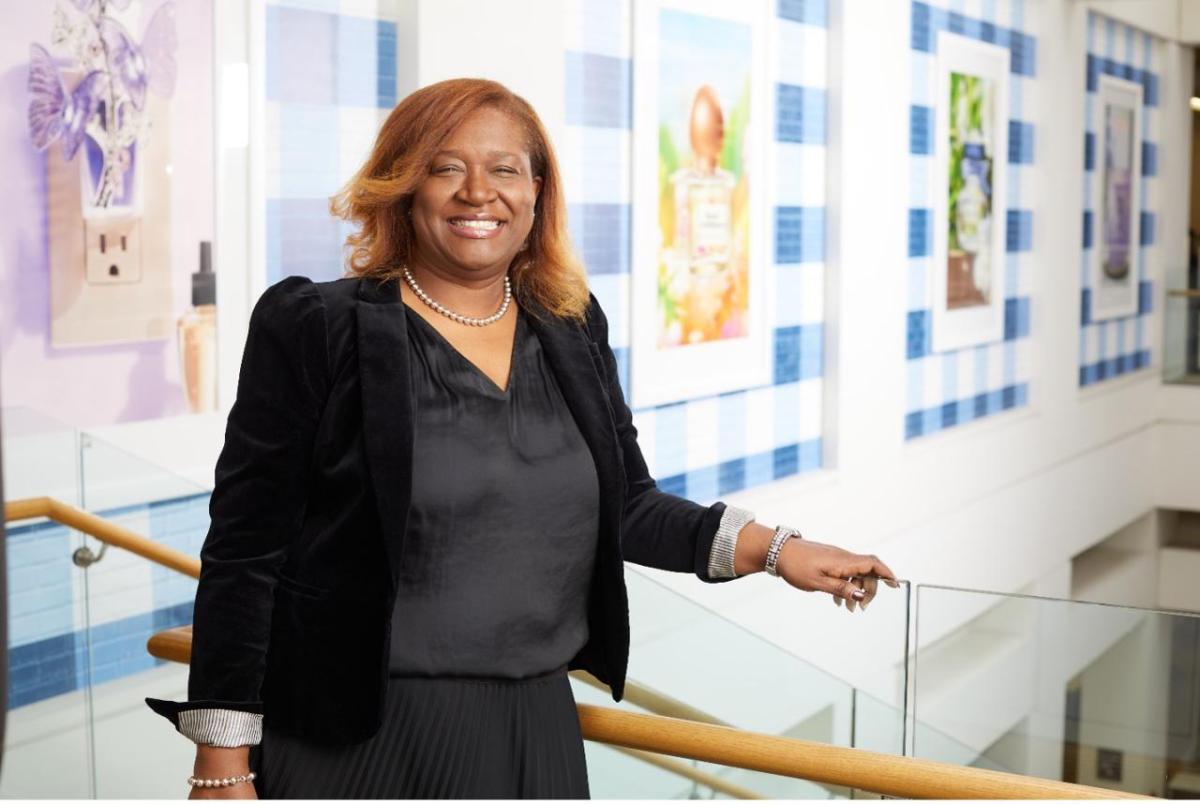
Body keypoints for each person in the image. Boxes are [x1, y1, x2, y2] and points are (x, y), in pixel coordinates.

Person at [146, 78, 898, 800]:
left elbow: (628, 505)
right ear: (403, 186)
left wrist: (780, 551)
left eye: (506, 168)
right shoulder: (317, 327)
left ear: (537, 191)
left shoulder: (571, 327)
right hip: (360, 738)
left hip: (536, 727)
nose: (479, 192)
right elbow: (247, 553)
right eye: (447, 168)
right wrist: (222, 763)